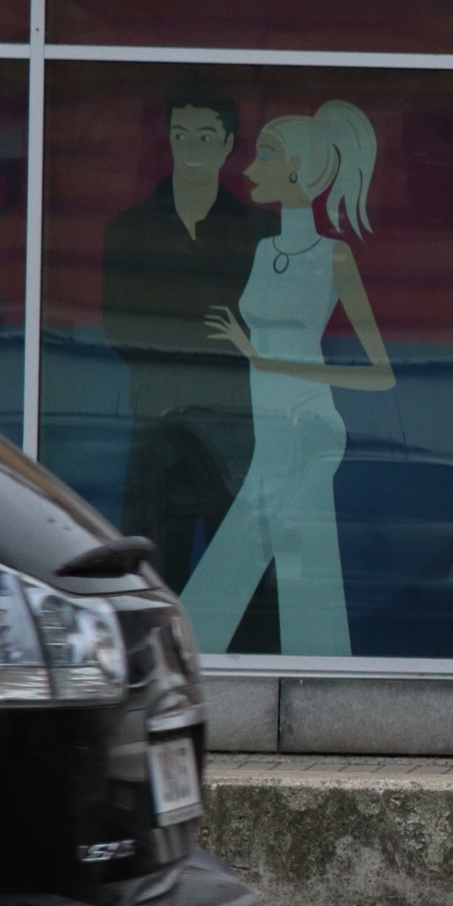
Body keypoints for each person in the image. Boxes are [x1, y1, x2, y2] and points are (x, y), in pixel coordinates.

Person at [182, 101, 395, 658]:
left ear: (299, 170)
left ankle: (179, 662)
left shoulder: (334, 257)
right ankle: (323, 673)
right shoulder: (262, 250)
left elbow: (380, 374)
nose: (250, 168)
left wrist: (265, 358)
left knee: (251, 555)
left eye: (266, 156)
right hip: (272, 432)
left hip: (308, 426)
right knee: (302, 568)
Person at [99, 80, 276, 590]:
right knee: (150, 576)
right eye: (180, 135)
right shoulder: (128, 229)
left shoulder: (259, 231)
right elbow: (122, 329)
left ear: (226, 144)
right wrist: (215, 329)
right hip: (157, 423)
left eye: (204, 136)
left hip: (236, 423)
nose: (191, 148)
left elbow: (267, 326)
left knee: (245, 577)